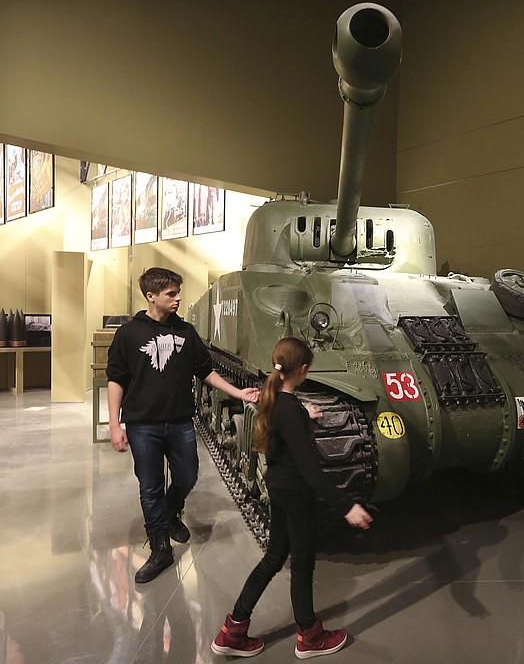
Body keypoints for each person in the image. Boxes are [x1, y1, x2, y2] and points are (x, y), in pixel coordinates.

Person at [211, 337, 373, 659]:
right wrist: (346, 506)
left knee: (274, 559)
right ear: (303, 370)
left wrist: (304, 414)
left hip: (280, 487)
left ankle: (234, 630)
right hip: (296, 493)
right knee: (301, 565)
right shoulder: (288, 408)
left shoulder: (278, 400)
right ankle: (310, 637)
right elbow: (310, 471)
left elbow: (287, 420)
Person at [107, 267, 259, 584]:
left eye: (178, 292)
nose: (178, 299)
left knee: (187, 476)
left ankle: (170, 510)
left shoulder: (186, 332)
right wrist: (114, 424)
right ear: (151, 296)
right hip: (142, 424)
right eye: (171, 294)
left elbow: (205, 371)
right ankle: (161, 549)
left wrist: (237, 391)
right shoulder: (129, 334)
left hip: (179, 422)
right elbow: (116, 380)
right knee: (149, 486)